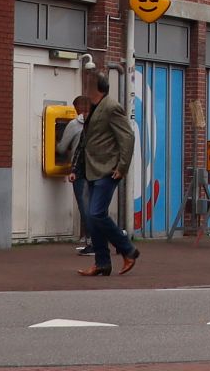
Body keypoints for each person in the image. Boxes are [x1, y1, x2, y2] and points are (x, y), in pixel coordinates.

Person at [68, 74, 139, 277]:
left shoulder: (111, 107)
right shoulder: (93, 109)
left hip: (108, 170)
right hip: (92, 170)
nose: (85, 89)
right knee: (92, 217)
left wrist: (122, 166)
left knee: (96, 213)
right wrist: (76, 169)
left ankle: (128, 250)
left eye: (88, 86)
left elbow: (127, 136)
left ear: (97, 89)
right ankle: (102, 263)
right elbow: (85, 141)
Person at [58, 96, 90, 253]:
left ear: (77, 107)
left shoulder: (74, 124)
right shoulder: (96, 124)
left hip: (79, 171)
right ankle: (119, 236)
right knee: (97, 208)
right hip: (96, 170)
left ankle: (91, 242)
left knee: (85, 207)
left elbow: (62, 148)